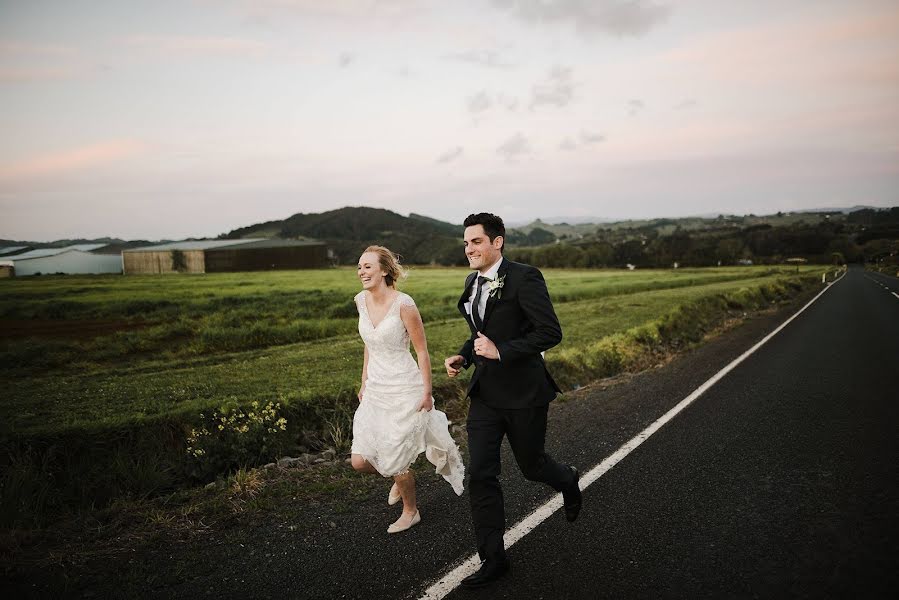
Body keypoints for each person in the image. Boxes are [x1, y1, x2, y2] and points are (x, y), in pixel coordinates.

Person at [444, 213, 582, 588]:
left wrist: (501, 351)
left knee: (532, 465)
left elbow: (549, 332)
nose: (468, 248)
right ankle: (493, 559)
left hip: (524, 393)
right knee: (482, 474)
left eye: (475, 241)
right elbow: (481, 332)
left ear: (497, 242)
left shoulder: (525, 277)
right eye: (466, 242)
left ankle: (568, 479)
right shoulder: (472, 281)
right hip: (486, 395)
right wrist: (465, 355)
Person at [350, 245, 464, 534]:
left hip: (404, 387)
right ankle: (397, 479)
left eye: (367, 266)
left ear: (385, 270)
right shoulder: (361, 301)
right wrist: (363, 381)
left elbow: (422, 351)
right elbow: (369, 343)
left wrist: (427, 392)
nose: (361, 271)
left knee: (396, 456)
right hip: (376, 388)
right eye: (360, 267)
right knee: (359, 461)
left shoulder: (405, 304)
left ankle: (411, 511)